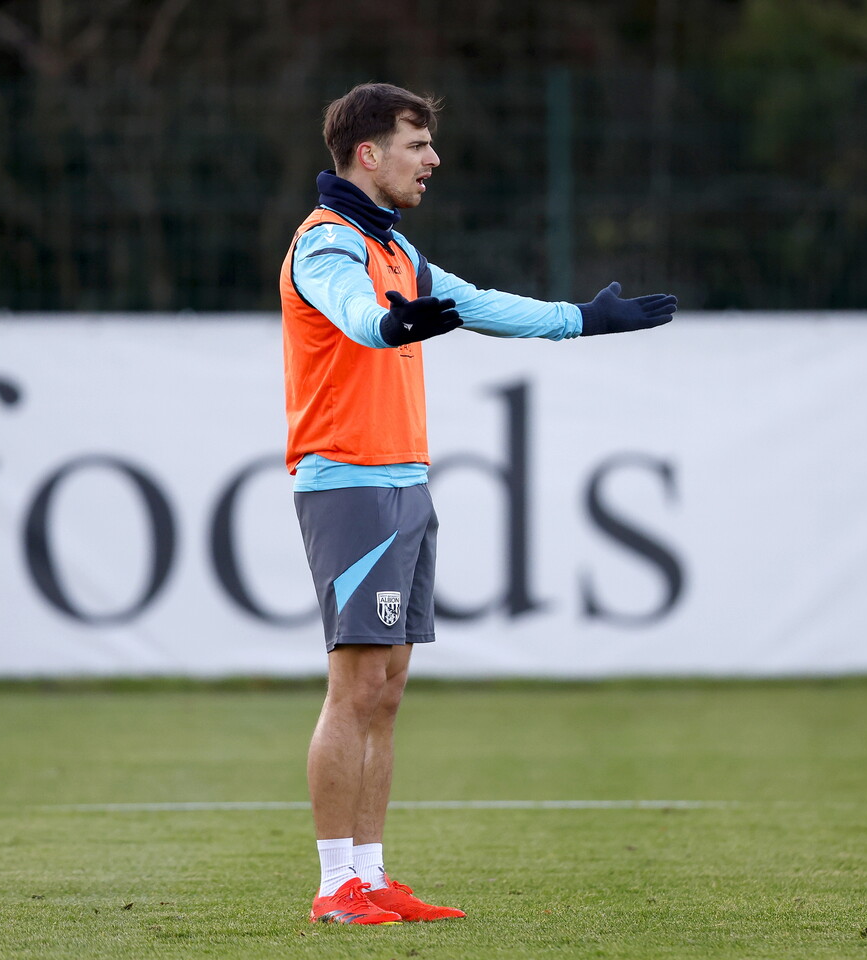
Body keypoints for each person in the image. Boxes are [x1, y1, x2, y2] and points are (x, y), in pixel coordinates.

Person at [279, 82, 677, 925]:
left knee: (385, 690)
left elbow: (478, 304)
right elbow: (355, 317)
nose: (433, 160)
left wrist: (581, 320)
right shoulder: (325, 245)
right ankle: (332, 885)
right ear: (367, 154)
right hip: (347, 481)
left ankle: (374, 874)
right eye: (416, 144)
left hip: (404, 481)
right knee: (353, 689)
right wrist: (390, 327)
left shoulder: (394, 248)